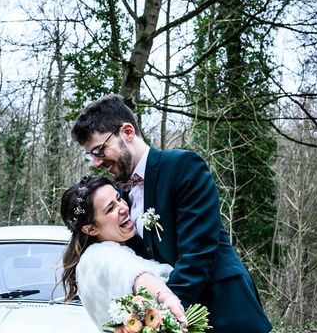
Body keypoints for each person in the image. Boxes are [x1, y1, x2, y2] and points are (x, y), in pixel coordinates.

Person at [70, 94, 272, 333]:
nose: (96, 162)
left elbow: (198, 253)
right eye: (90, 155)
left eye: (99, 150)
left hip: (226, 311)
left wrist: (164, 317)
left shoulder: (183, 167)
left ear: (127, 132)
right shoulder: (119, 199)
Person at [60, 175, 187, 331]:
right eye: (110, 208)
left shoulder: (101, 255)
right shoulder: (100, 256)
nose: (124, 207)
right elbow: (134, 276)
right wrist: (165, 296)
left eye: (119, 198)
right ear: (91, 229)